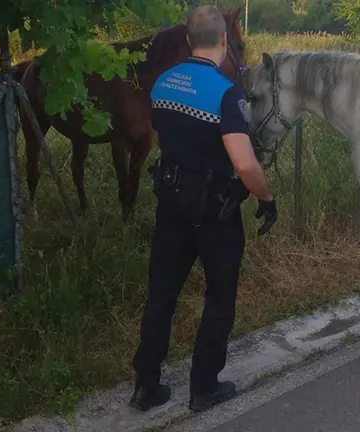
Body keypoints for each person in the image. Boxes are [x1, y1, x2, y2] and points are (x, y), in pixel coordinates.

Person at [129, 5, 278, 414]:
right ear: (225, 40)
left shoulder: (161, 84)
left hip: (170, 206)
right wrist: (266, 198)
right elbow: (245, 164)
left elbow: (167, 138)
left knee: (161, 294)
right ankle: (204, 387)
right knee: (219, 297)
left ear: (189, 39)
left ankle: (146, 386)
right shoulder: (225, 93)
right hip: (215, 212)